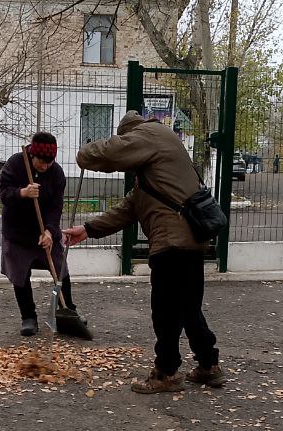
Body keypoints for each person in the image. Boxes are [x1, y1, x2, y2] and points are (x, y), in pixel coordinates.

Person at [64, 110, 224, 393]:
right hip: (190, 239)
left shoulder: (151, 133)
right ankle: (209, 365)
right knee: (188, 307)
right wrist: (87, 229)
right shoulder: (156, 171)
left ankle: (166, 373)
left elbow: (110, 152)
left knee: (165, 311)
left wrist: (84, 153)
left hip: (171, 242)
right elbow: (129, 208)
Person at [0, 132, 87, 337]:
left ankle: (67, 311)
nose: (45, 166)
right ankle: (28, 317)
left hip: (44, 232)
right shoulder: (15, 164)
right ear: (32, 155)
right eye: (41, 162)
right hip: (17, 233)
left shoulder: (57, 174)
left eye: (49, 162)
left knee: (60, 270)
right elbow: (3, 194)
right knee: (20, 275)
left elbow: (56, 207)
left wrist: (49, 231)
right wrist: (23, 192)